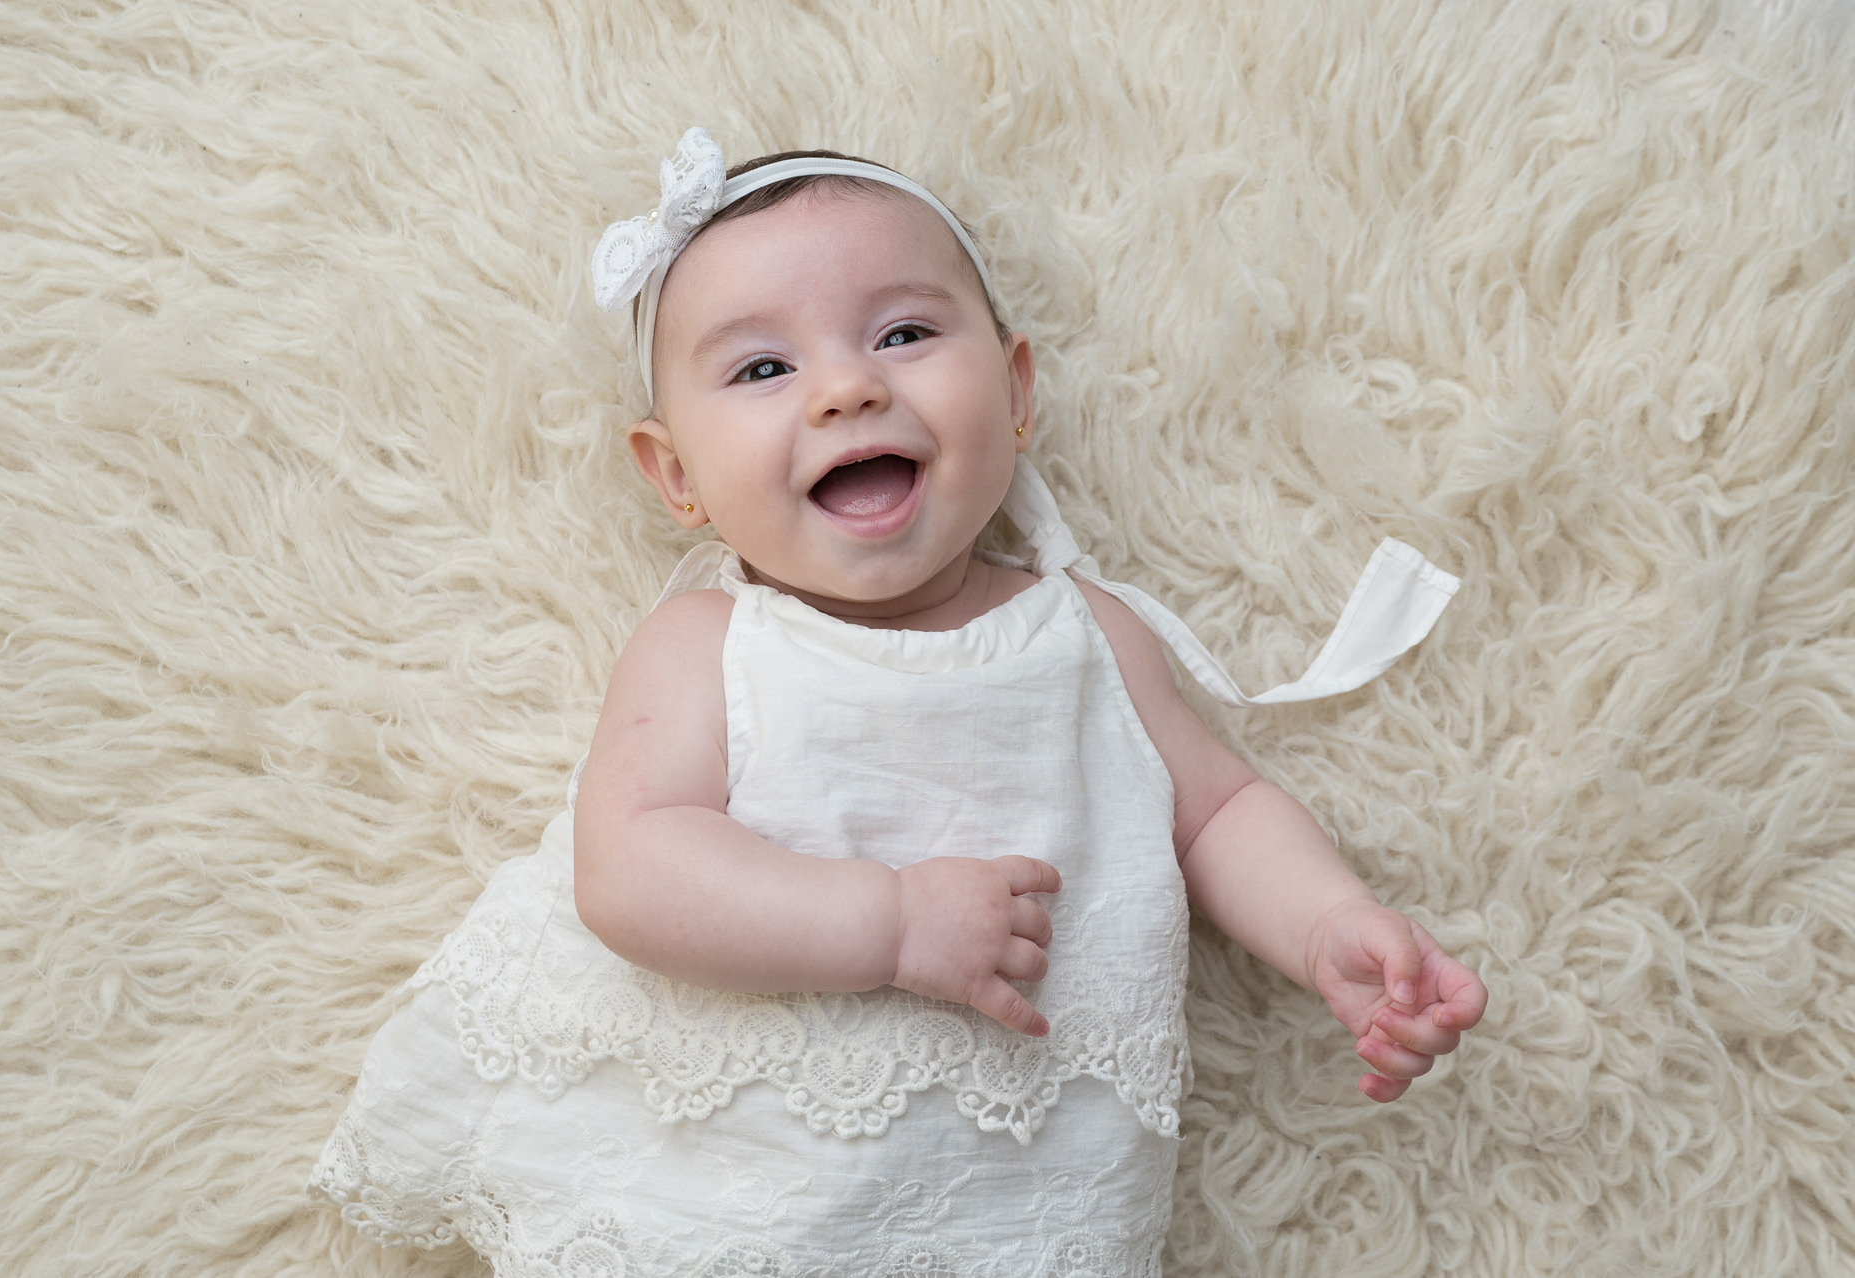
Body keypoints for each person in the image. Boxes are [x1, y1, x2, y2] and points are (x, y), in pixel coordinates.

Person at [311, 129, 1487, 1277]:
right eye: (763, 369)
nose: (846, 390)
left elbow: (1218, 813)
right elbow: (630, 869)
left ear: (1017, 392)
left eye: (905, 332)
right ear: (675, 475)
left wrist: (1330, 925)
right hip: (731, 1187)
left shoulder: (1088, 638)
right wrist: (888, 924)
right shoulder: (711, 646)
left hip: (1019, 1203)